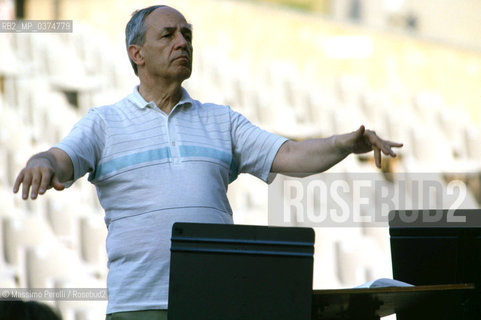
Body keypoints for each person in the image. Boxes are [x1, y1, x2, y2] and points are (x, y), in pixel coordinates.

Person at [13, 5, 403, 320]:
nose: (182, 42)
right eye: (168, 35)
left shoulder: (222, 121)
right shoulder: (104, 123)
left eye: (187, 35)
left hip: (215, 303)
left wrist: (344, 143)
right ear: (137, 54)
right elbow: (60, 159)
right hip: (138, 306)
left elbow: (290, 156)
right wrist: (41, 162)